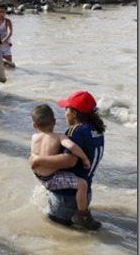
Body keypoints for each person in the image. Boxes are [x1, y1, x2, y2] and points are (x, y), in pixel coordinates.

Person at [29, 91, 105, 229]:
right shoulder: (97, 130)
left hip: (66, 197)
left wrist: (38, 159)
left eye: (66, 109)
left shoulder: (74, 132)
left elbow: (68, 161)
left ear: (74, 113)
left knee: (56, 236)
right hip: (84, 193)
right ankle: (84, 216)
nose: (64, 113)